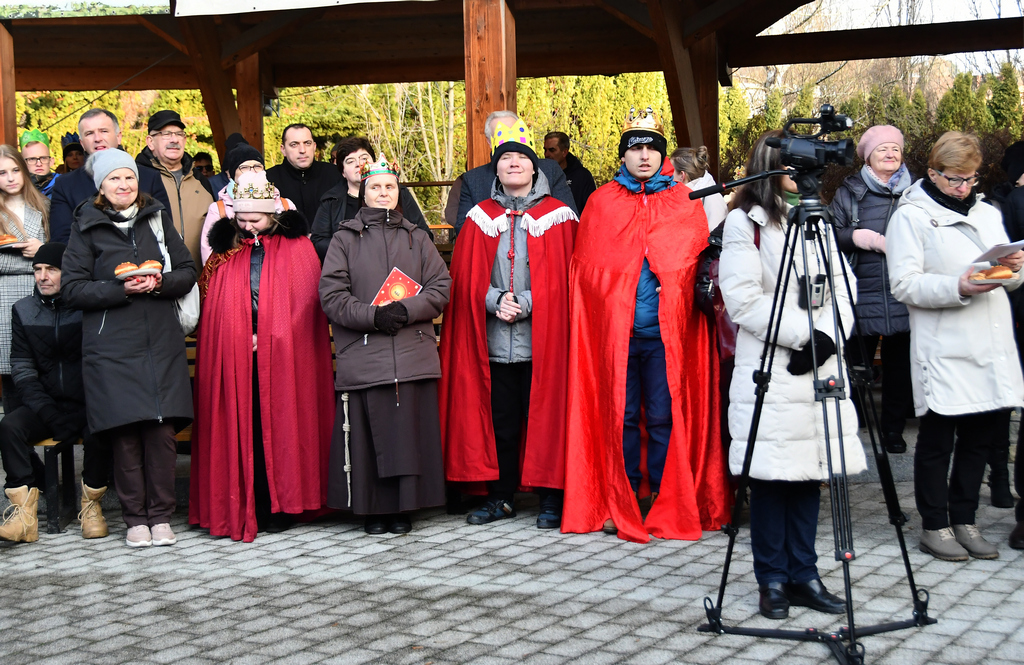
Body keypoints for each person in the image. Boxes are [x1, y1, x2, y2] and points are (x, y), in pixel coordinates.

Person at [561, 107, 728, 543]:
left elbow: (692, 268)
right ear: (624, 155)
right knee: (619, 415)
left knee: (662, 416)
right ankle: (625, 497)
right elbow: (587, 275)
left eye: (651, 147)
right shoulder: (600, 203)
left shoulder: (683, 202)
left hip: (665, 337)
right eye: (635, 148)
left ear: (662, 155)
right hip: (615, 337)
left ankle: (663, 497)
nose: (644, 155)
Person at [717, 130, 866, 620]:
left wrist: (830, 338)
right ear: (771, 165)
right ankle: (773, 580)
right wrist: (806, 336)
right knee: (772, 479)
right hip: (773, 369)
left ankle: (806, 574)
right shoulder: (745, 221)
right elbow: (742, 299)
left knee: (809, 475)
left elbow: (843, 288)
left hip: (821, 366)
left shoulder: (817, 218)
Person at [887, 131, 1024, 561]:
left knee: (981, 438)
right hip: (945, 341)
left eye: (970, 178)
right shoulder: (910, 216)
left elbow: (1011, 278)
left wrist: (1013, 268)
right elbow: (903, 284)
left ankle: (965, 519)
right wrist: (958, 284)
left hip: (991, 339)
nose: (963, 187)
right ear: (932, 172)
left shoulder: (986, 212)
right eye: (954, 179)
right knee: (938, 439)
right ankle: (935, 524)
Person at [439, 118, 577, 529]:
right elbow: (463, 279)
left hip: (546, 341)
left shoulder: (561, 216)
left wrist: (531, 303)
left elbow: (572, 278)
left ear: (536, 168)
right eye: (506, 159)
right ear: (495, 170)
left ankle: (552, 498)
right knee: (500, 422)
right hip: (495, 341)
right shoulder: (480, 217)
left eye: (521, 158)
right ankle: (500, 497)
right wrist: (494, 300)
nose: (514, 164)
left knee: (547, 417)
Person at [61, 149, 196, 548]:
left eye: (130, 179)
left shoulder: (157, 218)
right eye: (115, 180)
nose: (124, 185)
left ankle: (162, 516)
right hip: (112, 345)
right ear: (101, 186)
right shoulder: (86, 226)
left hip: (161, 340)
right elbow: (71, 288)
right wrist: (119, 289)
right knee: (125, 434)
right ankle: (136, 518)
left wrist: (159, 283)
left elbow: (187, 271)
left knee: (162, 433)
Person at [190, 171, 334, 542]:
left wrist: (269, 336)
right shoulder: (224, 253)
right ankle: (242, 502)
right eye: (242, 219)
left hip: (285, 354)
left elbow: (305, 306)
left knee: (284, 424)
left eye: (256, 219)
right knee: (246, 425)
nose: (248, 225)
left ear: (273, 215)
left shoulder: (299, 248)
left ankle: (282, 504)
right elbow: (213, 307)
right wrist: (239, 336)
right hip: (235, 355)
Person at [319, 154, 450, 535]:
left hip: (412, 349)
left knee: (408, 431)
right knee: (367, 435)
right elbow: (331, 295)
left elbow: (442, 287)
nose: (383, 193)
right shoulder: (344, 239)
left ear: (398, 192)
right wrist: (372, 316)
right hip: (365, 350)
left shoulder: (418, 237)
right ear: (363, 193)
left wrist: (405, 311)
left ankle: (404, 508)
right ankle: (372, 510)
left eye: (389, 187)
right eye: (375, 187)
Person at [0, 242, 113, 543]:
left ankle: (92, 507)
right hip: (47, 405)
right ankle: (24, 515)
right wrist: (47, 411)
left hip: (87, 403)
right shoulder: (23, 310)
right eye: (38, 270)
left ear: (69, 272)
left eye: (51, 269)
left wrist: (82, 409)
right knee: (9, 426)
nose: (42, 276)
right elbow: (23, 370)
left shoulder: (87, 307)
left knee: (100, 429)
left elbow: (102, 365)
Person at [830, 125, 915, 456]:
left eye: (895, 148)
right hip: (860, 292)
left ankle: (894, 430)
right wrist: (858, 237)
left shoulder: (916, 192)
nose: (891, 154)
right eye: (882, 149)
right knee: (856, 364)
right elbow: (832, 233)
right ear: (868, 156)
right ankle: (856, 423)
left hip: (902, 290)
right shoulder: (849, 191)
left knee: (898, 368)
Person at [49, 109, 170, 244]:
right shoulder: (65, 185)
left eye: (104, 131)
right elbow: (62, 240)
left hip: (145, 262)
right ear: (82, 143)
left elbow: (165, 232)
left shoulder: (149, 178)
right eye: (89, 133)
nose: (97, 138)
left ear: (118, 136)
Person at [455, 111, 578, 237]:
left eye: (513, 131)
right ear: (489, 141)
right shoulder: (473, 179)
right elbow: (465, 234)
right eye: (501, 134)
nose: (510, 140)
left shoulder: (550, 170)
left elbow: (569, 223)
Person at [310, 137, 431, 262]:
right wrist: (354, 248)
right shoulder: (331, 200)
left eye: (364, 158)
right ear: (343, 172)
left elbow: (424, 234)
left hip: (398, 265)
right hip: (348, 267)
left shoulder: (397, 194)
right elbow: (319, 242)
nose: (359, 164)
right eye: (350, 161)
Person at [984, 140, 1024, 510]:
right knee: (1004, 402)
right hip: (1009, 309)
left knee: (1005, 402)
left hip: (1008, 309)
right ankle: (998, 476)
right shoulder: (1006, 202)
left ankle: (999, 477)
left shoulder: (1003, 200)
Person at [0, 145, 49, 414]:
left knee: (44, 374)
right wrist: (32, 256)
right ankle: (21, 453)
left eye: (15, 170)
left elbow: (57, 249)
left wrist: (42, 251)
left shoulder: (43, 205)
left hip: (40, 297)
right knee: (13, 378)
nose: (10, 177)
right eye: (2, 173)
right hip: (5, 304)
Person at [136, 110, 215, 268]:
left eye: (179, 134)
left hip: (199, 280)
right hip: (154, 280)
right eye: (166, 134)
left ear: (185, 140)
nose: (174, 139)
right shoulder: (136, 179)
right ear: (150, 142)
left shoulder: (201, 181)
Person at [199, 144, 296, 264]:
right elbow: (209, 256)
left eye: (257, 166)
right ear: (231, 174)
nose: (252, 171)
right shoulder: (219, 209)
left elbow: (297, 249)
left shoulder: (285, 205)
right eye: (244, 167)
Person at [265, 124, 342, 221]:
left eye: (307, 143)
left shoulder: (335, 175)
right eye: (294, 144)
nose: (302, 150)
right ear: (283, 149)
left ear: (314, 146)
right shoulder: (269, 180)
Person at [670, 146, 726, 231]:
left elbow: (714, 239)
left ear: (682, 175)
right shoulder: (689, 197)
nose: (667, 177)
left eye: (670, 172)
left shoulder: (712, 199)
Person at [544, 131, 597, 213]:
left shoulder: (582, 176)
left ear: (564, 152)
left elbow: (592, 209)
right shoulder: (540, 175)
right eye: (545, 150)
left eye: (552, 150)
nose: (547, 154)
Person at [20, 130, 59, 198]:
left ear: (51, 161)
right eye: (32, 159)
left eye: (43, 158)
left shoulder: (64, 185)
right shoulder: (16, 190)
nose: (38, 164)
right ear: (22, 163)